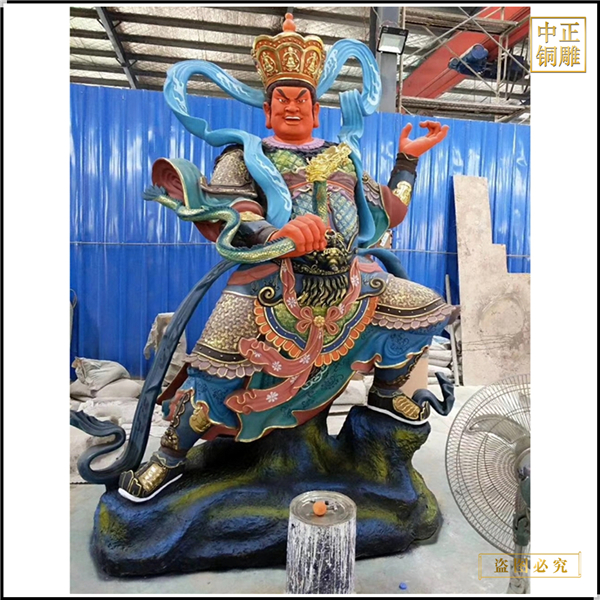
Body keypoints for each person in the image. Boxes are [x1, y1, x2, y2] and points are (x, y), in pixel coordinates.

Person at [118, 14, 456, 502]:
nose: (292, 106)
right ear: (268, 109)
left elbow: (391, 210)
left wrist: (408, 160)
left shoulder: (343, 157)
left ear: (317, 111)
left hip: (350, 280)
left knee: (422, 308)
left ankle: (385, 393)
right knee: (214, 367)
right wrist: (277, 233)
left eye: (302, 100)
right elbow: (233, 208)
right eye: (283, 99)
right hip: (269, 278)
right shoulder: (243, 155)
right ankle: (168, 457)